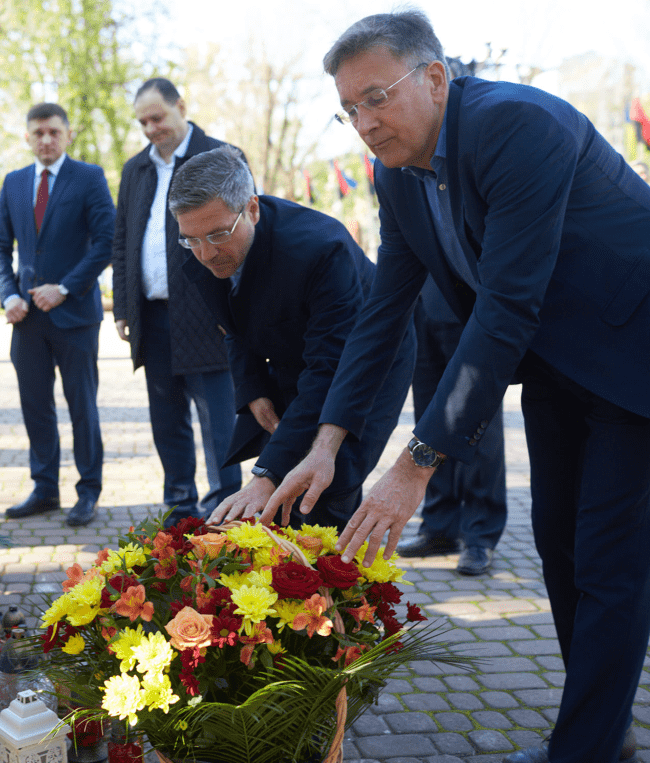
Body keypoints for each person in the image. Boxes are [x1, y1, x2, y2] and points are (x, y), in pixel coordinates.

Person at [263, 11, 649, 763]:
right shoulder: (396, 172)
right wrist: (328, 442)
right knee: (559, 545)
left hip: (633, 348)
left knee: (606, 557)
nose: (364, 124)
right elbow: (383, 309)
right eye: (349, 109)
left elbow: (505, 308)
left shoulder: (518, 126)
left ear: (435, 77)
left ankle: (586, 750)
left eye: (376, 98)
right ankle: (599, 737)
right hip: (561, 364)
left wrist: (415, 465)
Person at [166, 146, 414, 532]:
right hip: (293, 354)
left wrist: (266, 474)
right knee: (279, 477)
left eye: (217, 235)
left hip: (366, 360)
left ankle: (337, 581)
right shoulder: (202, 236)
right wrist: (252, 388)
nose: (205, 253)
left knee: (324, 485)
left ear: (251, 208)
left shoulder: (321, 249)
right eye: (191, 240)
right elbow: (232, 322)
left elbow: (328, 369)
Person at [112, 77, 242, 526]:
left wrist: (234, 309)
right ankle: (180, 509)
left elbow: (243, 239)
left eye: (157, 117)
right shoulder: (136, 170)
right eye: (143, 121)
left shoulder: (221, 157)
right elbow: (124, 239)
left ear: (180, 107)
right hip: (152, 315)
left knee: (219, 424)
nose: (150, 128)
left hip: (209, 317)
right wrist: (125, 306)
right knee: (167, 421)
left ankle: (227, 509)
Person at [0, 102, 115, 527]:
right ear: (28, 137)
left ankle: (88, 492)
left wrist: (64, 288)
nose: (46, 140)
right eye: (38, 133)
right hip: (26, 318)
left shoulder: (89, 177)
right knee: (35, 407)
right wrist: (8, 295)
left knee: (82, 406)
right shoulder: (14, 182)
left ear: (66, 135)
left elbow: (106, 240)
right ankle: (44, 489)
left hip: (75, 315)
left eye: (54, 132)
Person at [401, 276, 507, 576]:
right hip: (419, 304)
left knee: (478, 426)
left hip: (467, 304)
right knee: (429, 421)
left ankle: (480, 534)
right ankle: (439, 526)